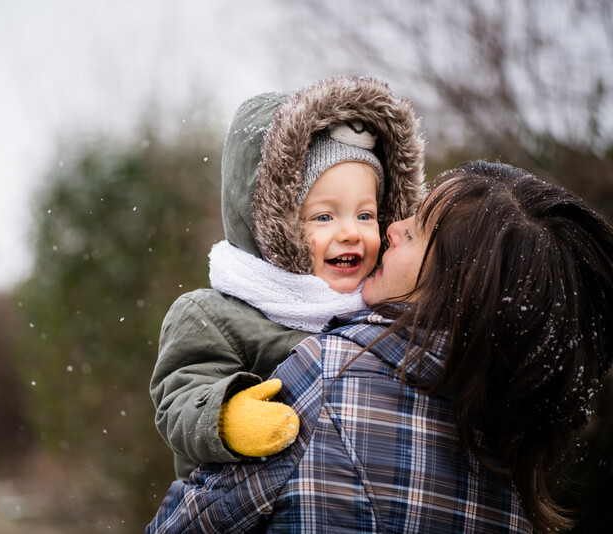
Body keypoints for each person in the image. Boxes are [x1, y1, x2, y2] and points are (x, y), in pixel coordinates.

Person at [146, 161, 613, 533]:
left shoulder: (334, 374)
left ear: (457, 284)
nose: (391, 227)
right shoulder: (512, 451)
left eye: (415, 230)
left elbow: (187, 523)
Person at [151, 76, 425, 480]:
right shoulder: (215, 315)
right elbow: (178, 397)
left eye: (365, 215)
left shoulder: (382, 312)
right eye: (323, 217)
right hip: (245, 501)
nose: (351, 232)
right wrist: (225, 417)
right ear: (274, 224)